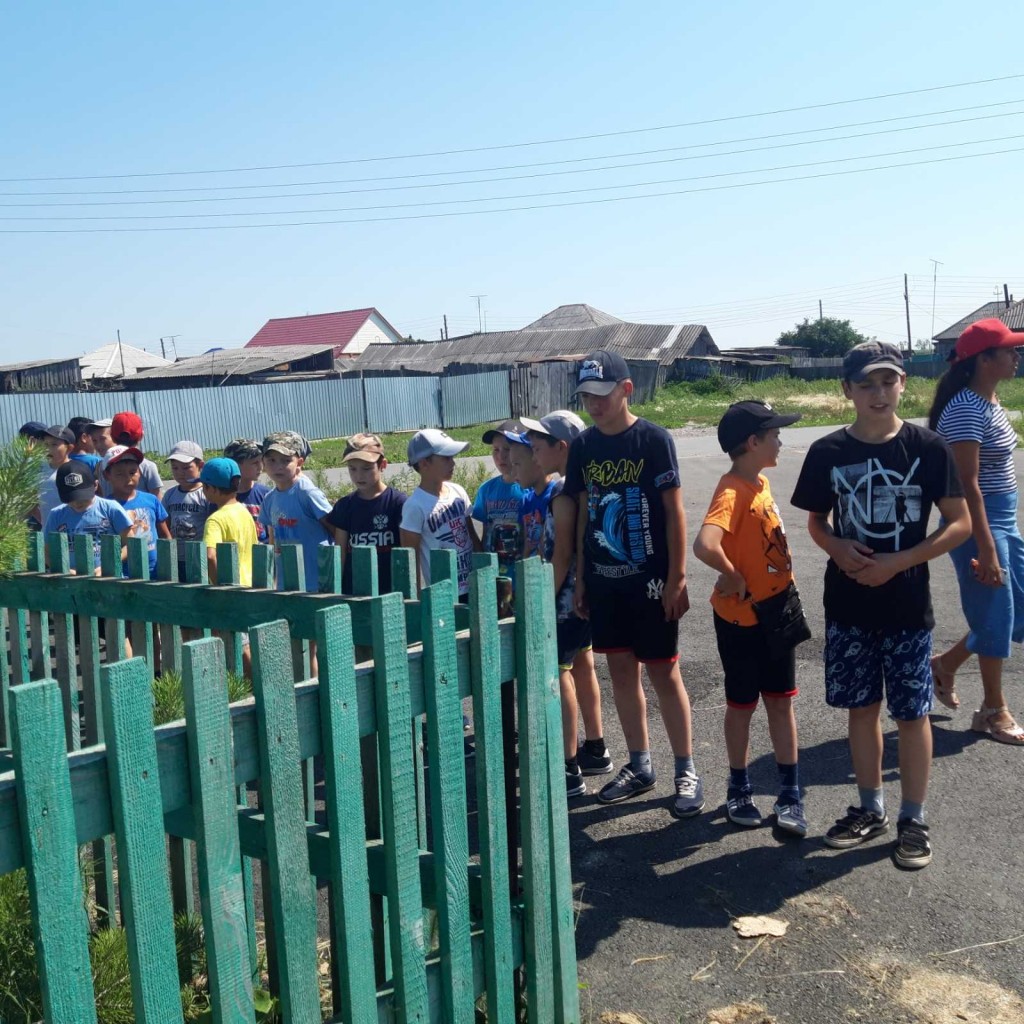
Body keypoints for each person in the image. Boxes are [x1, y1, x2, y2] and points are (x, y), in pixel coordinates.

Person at [791, 341, 971, 869]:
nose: (878, 393)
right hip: (849, 604)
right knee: (861, 709)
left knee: (912, 713)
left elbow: (959, 522)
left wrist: (901, 560)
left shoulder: (928, 447)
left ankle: (914, 818)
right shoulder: (827, 451)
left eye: (888, 381)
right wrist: (835, 546)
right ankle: (870, 808)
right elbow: (817, 522)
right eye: (866, 383)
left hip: (907, 605)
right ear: (846, 389)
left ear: (903, 384)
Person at [564, 350, 704, 817]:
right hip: (604, 583)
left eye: (602, 394)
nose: (594, 404)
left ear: (626, 389)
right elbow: (584, 513)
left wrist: (677, 577)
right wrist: (581, 578)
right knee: (621, 673)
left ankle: (686, 769)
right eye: (586, 396)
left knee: (664, 672)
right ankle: (640, 765)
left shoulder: (653, 439)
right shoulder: (583, 446)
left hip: (651, 582)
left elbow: (674, 511)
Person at [693, 400, 807, 836]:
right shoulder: (732, 490)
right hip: (743, 620)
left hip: (777, 611)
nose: (780, 441)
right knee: (742, 705)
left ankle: (790, 793)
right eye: (774, 435)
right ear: (752, 442)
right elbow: (705, 544)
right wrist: (732, 575)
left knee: (780, 702)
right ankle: (739, 787)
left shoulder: (759, 482)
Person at [927, 318, 1024, 742]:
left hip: (1003, 519)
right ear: (984, 360)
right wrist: (985, 548)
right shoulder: (966, 408)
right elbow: (967, 486)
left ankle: (944, 665)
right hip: (976, 524)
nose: (1017, 356)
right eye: (1010, 350)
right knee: (995, 615)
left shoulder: (989, 400)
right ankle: (992, 710)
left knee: (1015, 611)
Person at [524, 410, 613, 798]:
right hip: (584, 597)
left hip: (563, 600)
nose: (533, 454)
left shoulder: (563, 491)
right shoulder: (585, 485)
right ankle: (595, 747)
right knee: (582, 665)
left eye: (537, 447)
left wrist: (545, 598)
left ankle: (568, 766)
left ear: (561, 448)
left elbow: (561, 553)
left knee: (560, 672)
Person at [400, 429, 478, 598]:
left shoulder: (458, 491)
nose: (453, 463)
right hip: (443, 594)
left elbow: (472, 537)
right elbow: (411, 560)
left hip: (475, 585)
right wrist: (417, 599)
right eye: (446, 458)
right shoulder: (414, 506)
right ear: (424, 463)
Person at [325, 433, 406, 594]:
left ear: (383, 465)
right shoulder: (344, 506)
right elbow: (340, 553)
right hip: (354, 591)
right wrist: (336, 590)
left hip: (390, 592)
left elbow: (407, 551)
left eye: (367, 468)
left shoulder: (398, 503)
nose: (359, 476)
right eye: (352, 469)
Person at [258, 431, 333, 592]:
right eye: (271, 460)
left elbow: (334, 528)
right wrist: (274, 579)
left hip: (316, 582)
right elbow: (272, 540)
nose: (278, 466)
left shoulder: (307, 493)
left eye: (286, 460)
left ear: (299, 462)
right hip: (286, 583)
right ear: (263, 462)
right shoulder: (269, 499)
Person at [44, 461, 132, 574]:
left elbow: (130, 544)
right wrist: (64, 569)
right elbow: (46, 551)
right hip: (70, 580)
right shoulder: (56, 515)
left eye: (83, 497)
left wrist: (109, 565)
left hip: (108, 577)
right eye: (70, 498)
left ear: (95, 485)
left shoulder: (111, 508)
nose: (77, 503)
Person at [102, 444, 171, 576]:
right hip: (124, 575)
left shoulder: (151, 500)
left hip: (156, 572)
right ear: (107, 475)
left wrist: (168, 563)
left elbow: (165, 535)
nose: (128, 478)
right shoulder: (106, 507)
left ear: (140, 472)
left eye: (132, 472)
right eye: (119, 474)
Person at [472, 420, 525, 580]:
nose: (501, 456)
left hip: (521, 572)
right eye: (496, 450)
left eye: (507, 449)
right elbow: (485, 533)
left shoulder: (529, 489)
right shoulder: (486, 489)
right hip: (493, 574)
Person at [201, 457, 257, 587]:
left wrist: (219, 586)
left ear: (212, 489)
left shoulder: (215, 520)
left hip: (231, 587)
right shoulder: (245, 512)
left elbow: (210, 557)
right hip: (251, 584)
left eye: (204, 486)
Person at [162, 440, 211, 580]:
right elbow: (165, 523)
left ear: (200, 465)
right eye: (175, 468)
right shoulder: (170, 494)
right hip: (176, 557)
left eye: (186, 467)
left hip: (199, 556)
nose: (180, 473)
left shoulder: (206, 493)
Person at [224, 438, 271, 541]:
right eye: (255, 463)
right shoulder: (221, 496)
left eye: (261, 461)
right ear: (235, 465)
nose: (260, 467)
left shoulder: (267, 494)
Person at [107, 412, 162, 499]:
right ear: (141, 435)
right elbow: (157, 499)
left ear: (112, 437)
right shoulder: (148, 466)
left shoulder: (104, 466)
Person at [37, 425, 74, 531]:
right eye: (46, 444)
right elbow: (30, 502)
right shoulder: (39, 470)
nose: (48, 449)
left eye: (54, 445)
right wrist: (44, 522)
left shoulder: (75, 470)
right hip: (47, 531)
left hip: (71, 530)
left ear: (69, 448)